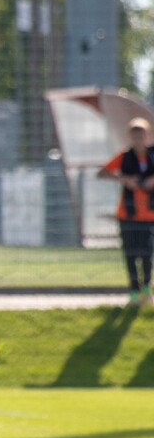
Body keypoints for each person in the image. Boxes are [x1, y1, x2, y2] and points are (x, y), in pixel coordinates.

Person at [96, 117, 154, 305]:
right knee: (130, 253)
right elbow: (102, 172)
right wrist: (125, 179)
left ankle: (146, 288)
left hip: (149, 214)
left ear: (147, 136)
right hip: (128, 213)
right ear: (131, 137)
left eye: (142, 136)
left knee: (146, 253)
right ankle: (134, 290)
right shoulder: (124, 156)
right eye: (135, 137)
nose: (139, 140)